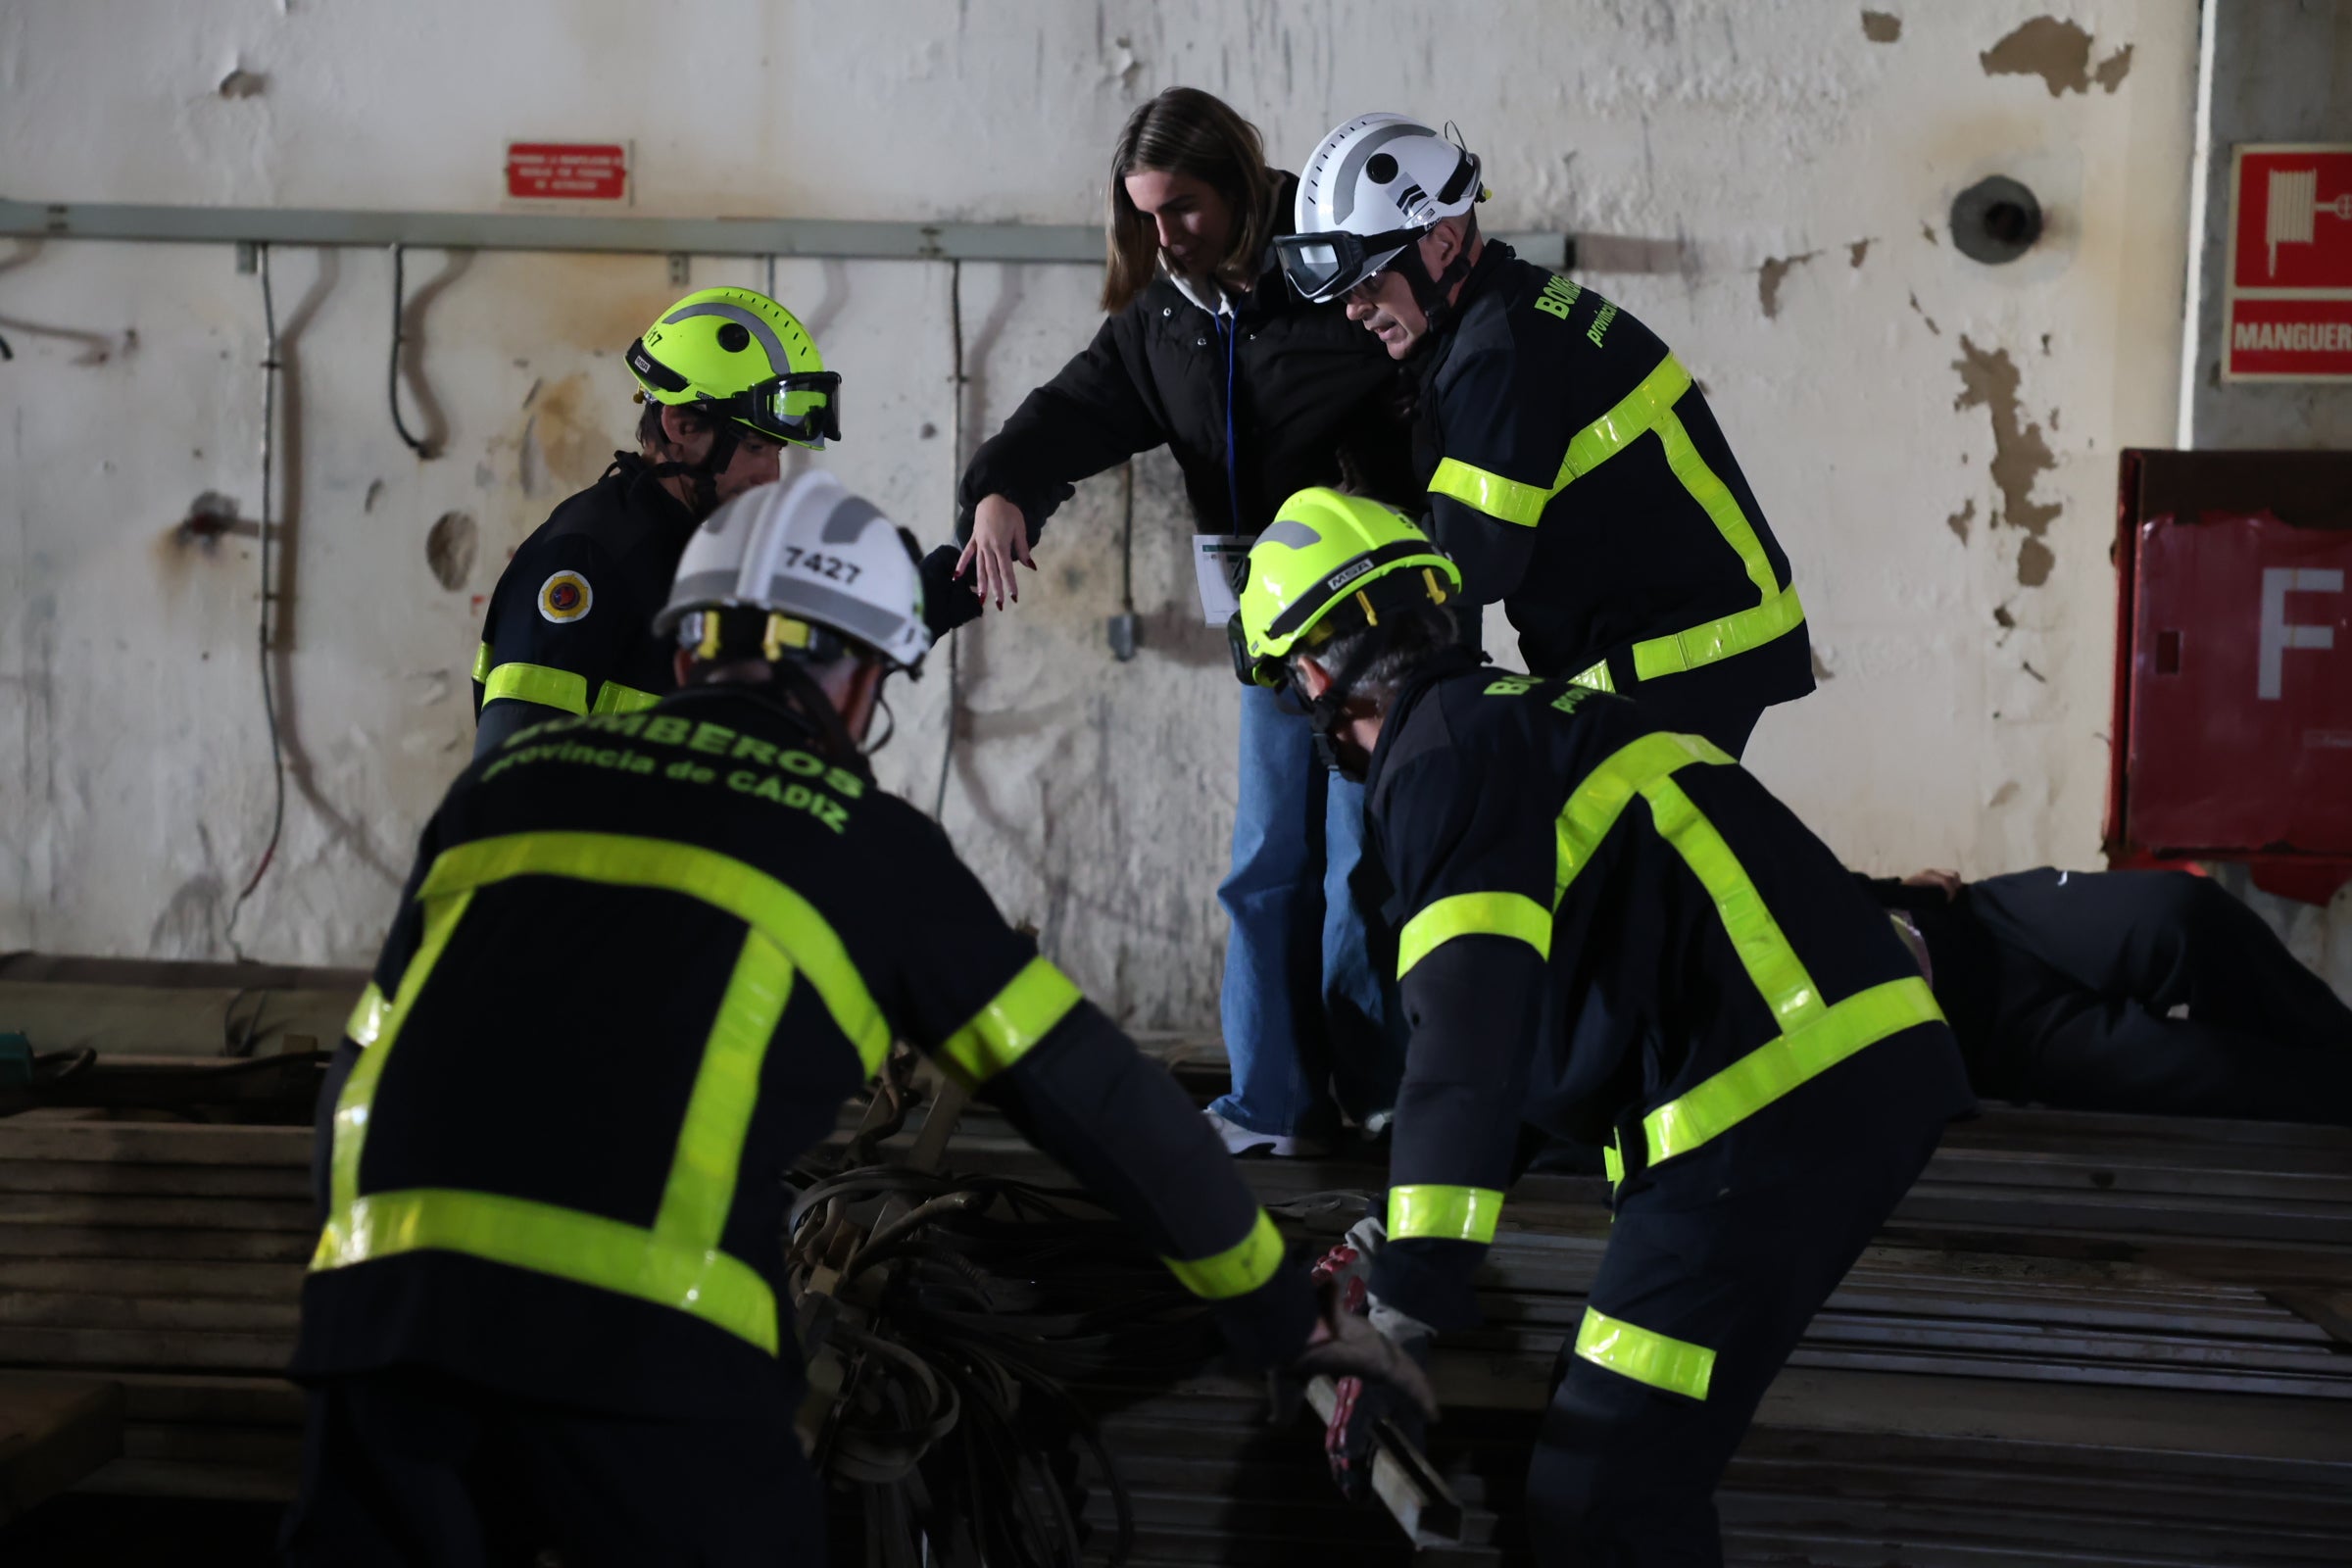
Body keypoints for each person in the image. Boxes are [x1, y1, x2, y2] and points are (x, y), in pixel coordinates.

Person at [284, 472, 1427, 1566]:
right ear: (851, 679)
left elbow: (358, 1071)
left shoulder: (499, 795)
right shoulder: (864, 844)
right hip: (647, 1354)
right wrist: (1286, 1314)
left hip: (378, 1328)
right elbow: (1100, 1102)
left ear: (687, 642)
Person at [1229, 489, 1976, 1564]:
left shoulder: (1436, 764)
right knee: (1614, 1486)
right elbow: (1532, 1046)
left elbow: (1466, 1046)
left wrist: (1397, 1316)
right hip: (1821, 1078)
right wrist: (1391, 1242)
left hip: (1765, 1107)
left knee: (1604, 1495)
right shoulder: (1520, 721)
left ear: (1309, 676)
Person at [956, 87, 1420, 1157]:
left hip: (1388, 634)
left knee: (1370, 867)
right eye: (1145, 214)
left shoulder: (1339, 279)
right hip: (1271, 638)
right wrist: (1001, 487)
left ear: (1246, 187)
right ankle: (1274, 1104)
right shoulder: (1164, 319)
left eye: (1185, 209)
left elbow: (1443, 389)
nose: (1165, 234)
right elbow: (1072, 409)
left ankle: (1385, 1095)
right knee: (1265, 864)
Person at [1280, 115, 1814, 758]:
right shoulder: (1503, 312)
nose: (1355, 309)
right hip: (1676, 636)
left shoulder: (1496, 356)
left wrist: (1339, 585)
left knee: (1618, 848)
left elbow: (1467, 565)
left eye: (1368, 280)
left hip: (1674, 649)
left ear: (1444, 241)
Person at [468, 286, 842, 756]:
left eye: (777, 450)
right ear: (682, 426)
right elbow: (511, 784)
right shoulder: (589, 557)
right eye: (755, 447)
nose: (771, 476)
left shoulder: (703, 553)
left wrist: (947, 586)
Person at [1870, 866, 2352, 1123]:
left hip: (1984, 920)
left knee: (2186, 911)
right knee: (2220, 1068)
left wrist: (1889, 890)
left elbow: (1800, 882)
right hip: (1992, 1043)